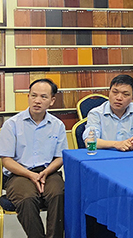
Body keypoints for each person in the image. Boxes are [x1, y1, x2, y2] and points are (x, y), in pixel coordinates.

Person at [0, 79, 68, 238]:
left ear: (52, 101)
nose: (37, 101)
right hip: (19, 174)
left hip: (49, 172)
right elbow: (6, 160)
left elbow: (60, 157)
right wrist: (30, 175)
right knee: (27, 198)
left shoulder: (58, 125)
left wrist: (45, 173)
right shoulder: (12, 124)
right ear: (28, 96)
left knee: (59, 194)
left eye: (43, 97)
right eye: (33, 95)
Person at [84, 74, 133, 151]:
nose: (119, 98)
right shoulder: (96, 113)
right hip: (106, 155)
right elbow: (89, 141)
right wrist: (116, 144)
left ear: (132, 98)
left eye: (125, 94)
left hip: (131, 154)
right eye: (115, 92)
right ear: (109, 93)